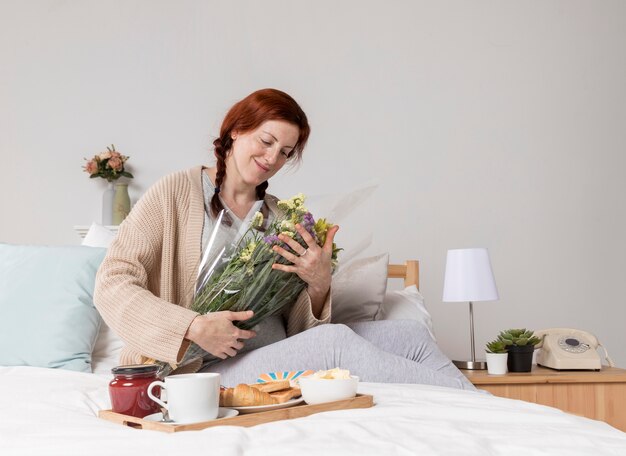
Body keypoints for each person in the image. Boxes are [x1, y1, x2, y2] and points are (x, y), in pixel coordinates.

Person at [94, 88, 474, 390]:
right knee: (336, 345)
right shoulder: (176, 192)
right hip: (201, 368)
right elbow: (111, 282)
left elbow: (299, 330)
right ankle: (475, 408)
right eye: (266, 140)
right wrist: (192, 327)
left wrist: (319, 284)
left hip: (278, 353)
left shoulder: (279, 217)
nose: (272, 157)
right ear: (236, 129)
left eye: (285, 152)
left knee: (409, 335)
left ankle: (483, 408)